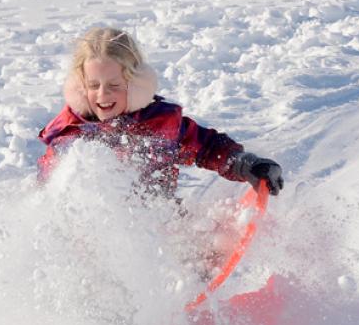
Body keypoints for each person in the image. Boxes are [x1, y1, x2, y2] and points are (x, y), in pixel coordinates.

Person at [36, 27, 284, 199]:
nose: (102, 95)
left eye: (114, 85)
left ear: (134, 83)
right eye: (93, 85)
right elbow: (49, 190)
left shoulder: (157, 123)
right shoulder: (69, 134)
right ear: (81, 87)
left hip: (160, 232)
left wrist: (247, 165)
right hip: (90, 247)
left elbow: (207, 147)